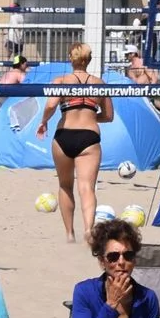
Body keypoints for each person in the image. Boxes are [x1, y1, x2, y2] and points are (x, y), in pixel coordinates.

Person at [34, 44, 111, 241]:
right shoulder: (100, 83)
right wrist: (91, 116)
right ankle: (88, 229)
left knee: (65, 186)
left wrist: (43, 122)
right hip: (89, 137)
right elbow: (109, 116)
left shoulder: (60, 81)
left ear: (71, 58)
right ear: (89, 60)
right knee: (87, 187)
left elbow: (51, 105)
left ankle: (69, 234)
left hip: (64, 135)